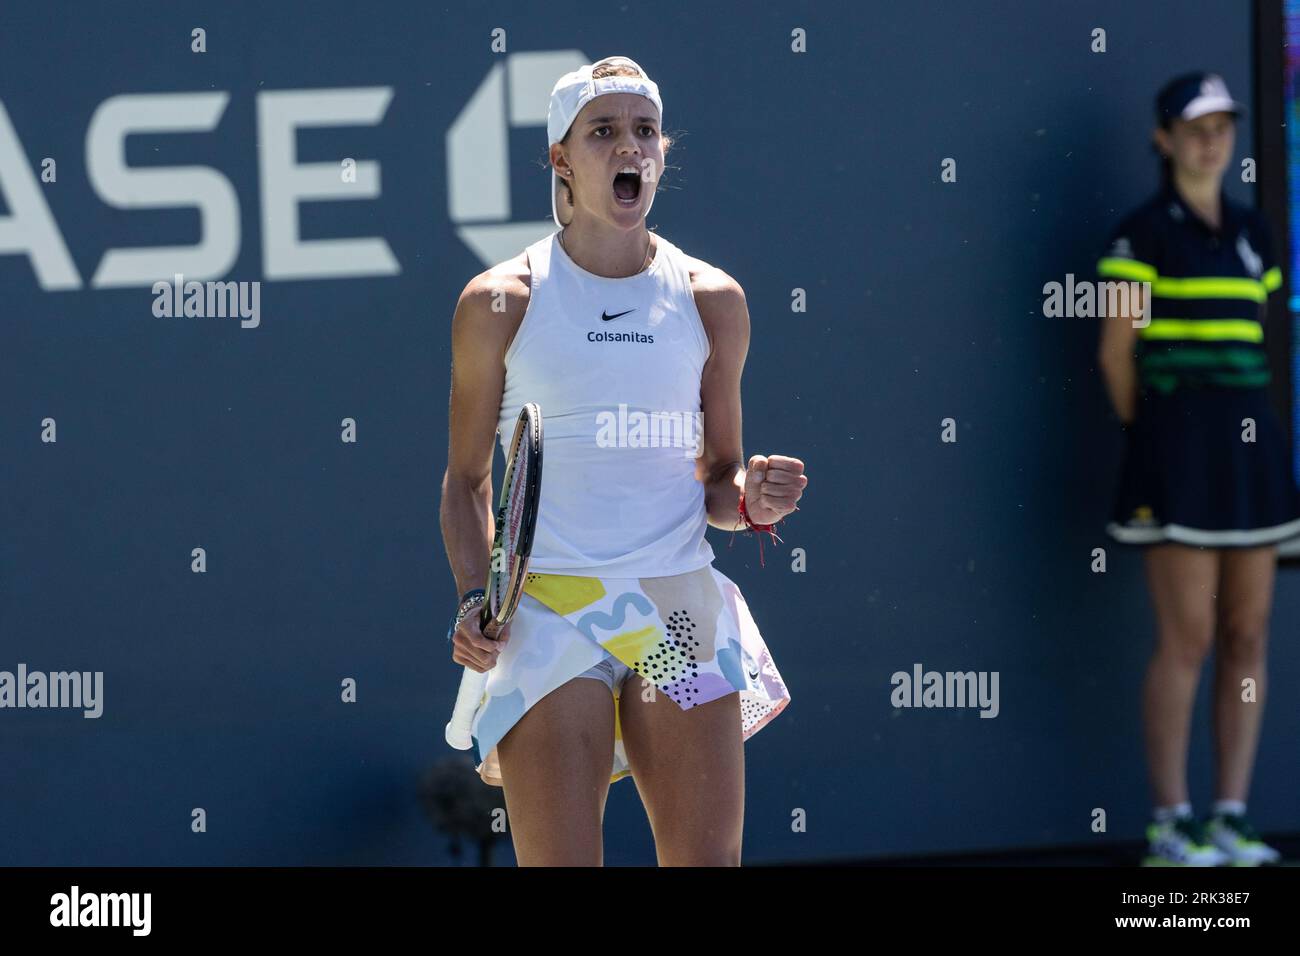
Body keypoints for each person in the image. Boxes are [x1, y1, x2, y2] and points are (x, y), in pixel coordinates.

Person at [440, 55, 806, 866]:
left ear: (661, 154)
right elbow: (467, 482)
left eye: (644, 131)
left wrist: (752, 497)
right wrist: (476, 596)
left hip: (672, 604)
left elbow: (720, 479)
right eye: (602, 132)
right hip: (548, 609)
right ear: (561, 158)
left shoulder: (713, 299)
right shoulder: (500, 302)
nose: (628, 147)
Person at [1096, 72, 1296, 866]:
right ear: (1165, 139)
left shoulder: (1256, 233)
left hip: (1256, 463)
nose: (1213, 140)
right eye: (1196, 126)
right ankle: (1171, 823)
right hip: (1176, 460)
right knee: (1187, 640)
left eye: (1224, 126)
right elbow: (1116, 354)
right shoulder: (1139, 234)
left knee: (1247, 638)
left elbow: (1265, 344)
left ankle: (1232, 816)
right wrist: (1159, 441)